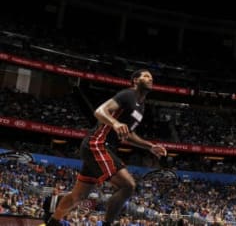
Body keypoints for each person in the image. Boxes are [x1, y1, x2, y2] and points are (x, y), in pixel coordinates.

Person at [46, 69, 167, 226]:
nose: (150, 79)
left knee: (78, 195)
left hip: (102, 148)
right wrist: (115, 123)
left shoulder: (141, 107)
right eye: (146, 76)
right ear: (136, 81)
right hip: (97, 144)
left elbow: (128, 134)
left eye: (151, 77)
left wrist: (149, 146)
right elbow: (99, 111)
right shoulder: (127, 95)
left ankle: (52, 223)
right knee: (128, 185)